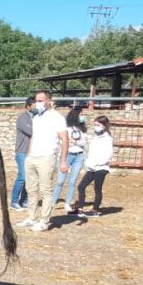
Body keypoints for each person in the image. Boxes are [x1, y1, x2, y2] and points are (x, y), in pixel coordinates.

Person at [17, 90, 68, 232]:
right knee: (31, 189)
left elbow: (65, 138)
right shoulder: (37, 117)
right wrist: (29, 155)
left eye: (40, 101)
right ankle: (31, 217)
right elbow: (33, 136)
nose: (37, 103)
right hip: (32, 157)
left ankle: (44, 221)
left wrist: (63, 161)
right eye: (36, 100)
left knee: (45, 191)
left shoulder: (57, 117)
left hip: (46, 157)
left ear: (49, 101)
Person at [72, 116, 114, 218]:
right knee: (81, 186)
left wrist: (98, 164)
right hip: (92, 167)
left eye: (98, 125)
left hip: (101, 167)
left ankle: (95, 210)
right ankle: (80, 209)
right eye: (95, 125)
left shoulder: (107, 138)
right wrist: (90, 163)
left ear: (104, 126)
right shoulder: (95, 137)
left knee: (97, 188)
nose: (96, 127)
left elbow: (108, 154)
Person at [52, 107, 87, 212]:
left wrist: (74, 142)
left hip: (79, 156)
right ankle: (53, 201)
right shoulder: (66, 128)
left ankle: (68, 203)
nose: (83, 117)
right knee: (60, 181)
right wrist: (67, 143)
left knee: (72, 181)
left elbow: (84, 142)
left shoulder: (82, 129)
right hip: (67, 155)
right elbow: (62, 142)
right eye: (81, 115)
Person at [9, 97, 35, 211]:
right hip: (22, 152)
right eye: (34, 106)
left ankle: (24, 201)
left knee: (29, 178)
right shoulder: (23, 118)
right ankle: (14, 201)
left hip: (32, 152)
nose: (36, 108)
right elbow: (31, 132)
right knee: (22, 177)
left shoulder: (36, 118)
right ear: (28, 106)